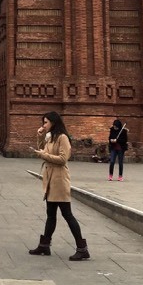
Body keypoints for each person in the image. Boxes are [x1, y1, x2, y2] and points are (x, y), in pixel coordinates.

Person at [29, 111, 90, 261]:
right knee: (50, 215)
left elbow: (63, 159)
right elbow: (43, 150)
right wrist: (40, 136)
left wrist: (43, 155)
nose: (43, 125)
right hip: (51, 180)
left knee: (67, 214)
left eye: (45, 123)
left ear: (53, 123)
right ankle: (44, 246)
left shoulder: (62, 138)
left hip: (60, 180)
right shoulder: (51, 137)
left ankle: (82, 248)